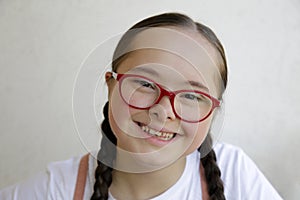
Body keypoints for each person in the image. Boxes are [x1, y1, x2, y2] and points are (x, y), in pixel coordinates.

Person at [0, 12, 282, 200]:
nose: (163, 110)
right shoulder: (59, 187)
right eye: (146, 84)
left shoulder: (236, 173)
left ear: (213, 112)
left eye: (192, 96)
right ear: (110, 85)